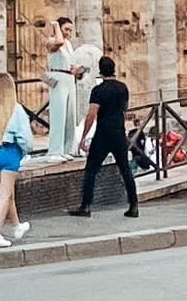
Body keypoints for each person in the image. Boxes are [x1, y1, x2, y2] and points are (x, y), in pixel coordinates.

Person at [67, 55, 139, 219]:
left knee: (91, 170)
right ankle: (134, 205)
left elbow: (92, 114)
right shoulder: (123, 87)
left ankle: (85, 206)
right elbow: (125, 107)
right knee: (125, 169)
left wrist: (84, 136)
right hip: (119, 132)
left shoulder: (98, 90)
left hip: (103, 133)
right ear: (113, 69)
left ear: (100, 71)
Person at [0, 72, 34, 249]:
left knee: (7, 192)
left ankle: (17, 226)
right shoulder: (15, 108)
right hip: (10, 151)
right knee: (5, 195)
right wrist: (25, 151)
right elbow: (25, 137)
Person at [45, 17, 83, 161]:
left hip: (68, 78)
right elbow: (58, 42)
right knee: (58, 113)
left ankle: (68, 148)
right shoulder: (51, 41)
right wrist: (54, 25)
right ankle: (55, 150)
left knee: (69, 114)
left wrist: (76, 69)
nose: (68, 33)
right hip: (57, 76)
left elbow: (70, 60)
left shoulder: (69, 44)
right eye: (66, 29)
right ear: (59, 28)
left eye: (70, 30)